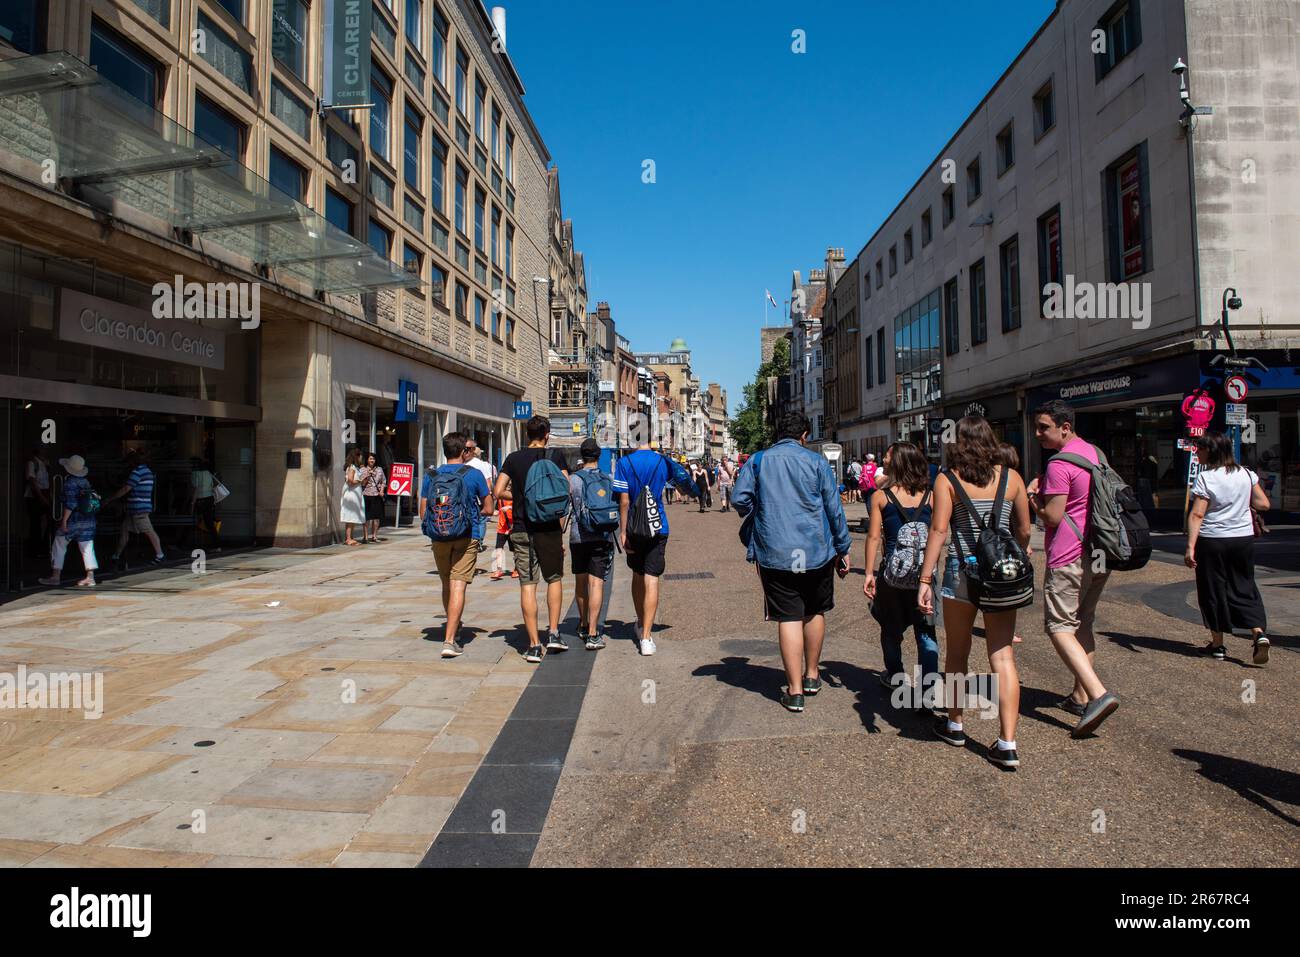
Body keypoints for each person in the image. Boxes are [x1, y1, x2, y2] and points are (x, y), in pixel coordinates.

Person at [917, 416, 1031, 769]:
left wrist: (924, 579)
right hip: (999, 575)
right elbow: (1024, 529)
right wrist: (1016, 553)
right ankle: (1007, 743)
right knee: (1002, 655)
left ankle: (955, 724)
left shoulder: (947, 480)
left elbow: (938, 531)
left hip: (961, 572)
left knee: (957, 652)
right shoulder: (1012, 478)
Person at [733, 412, 852, 713]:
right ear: (804, 436)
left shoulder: (758, 460)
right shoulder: (816, 462)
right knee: (814, 610)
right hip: (815, 549)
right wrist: (843, 546)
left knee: (788, 616)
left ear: (778, 433)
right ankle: (812, 675)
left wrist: (759, 508)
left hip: (775, 550)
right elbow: (834, 508)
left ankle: (794, 691)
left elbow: (738, 499)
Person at [1027, 400, 1120, 736]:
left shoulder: (1058, 464)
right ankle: (1080, 695)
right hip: (1100, 552)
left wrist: (1032, 497)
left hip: (1069, 554)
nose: (1038, 433)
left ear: (1064, 427)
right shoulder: (1095, 454)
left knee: (1059, 626)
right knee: (1084, 623)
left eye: (1043, 427)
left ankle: (1097, 694)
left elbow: (1052, 516)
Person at [863, 442, 939, 709]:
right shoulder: (931, 496)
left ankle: (895, 676)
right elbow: (939, 533)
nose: (884, 459)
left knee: (890, 627)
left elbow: (874, 536)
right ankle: (929, 690)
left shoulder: (881, 497)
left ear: (897, 463)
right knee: (926, 632)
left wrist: (870, 571)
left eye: (887, 456)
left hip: (892, 574)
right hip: (925, 573)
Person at [1185, 431, 1270, 664]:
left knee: (1213, 590)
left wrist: (1190, 546)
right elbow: (1264, 503)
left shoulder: (1206, 478)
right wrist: (1240, 503)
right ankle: (1258, 634)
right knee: (1243, 585)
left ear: (1210, 451)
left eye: (1200, 449)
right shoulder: (1246, 473)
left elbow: (1198, 513)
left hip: (1213, 540)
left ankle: (1218, 645)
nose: (1197, 453)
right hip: (1242, 539)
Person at [495, 416, 570, 662]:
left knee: (528, 584)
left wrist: (519, 496)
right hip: (548, 527)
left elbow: (497, 491)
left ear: (527, 434)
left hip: (522, 527)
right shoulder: (555, 456)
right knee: (554, 579)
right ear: (546, 433)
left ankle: (534, 645)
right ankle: (555, 634)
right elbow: (565, 490)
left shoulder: (513, 458)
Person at [420, 432, 494, 659]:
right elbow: (489, 509)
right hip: (466, 535)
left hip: (438, 536)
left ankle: (454, 626)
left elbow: (422, 512)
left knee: (446, 583)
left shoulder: (430, 475)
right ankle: (450, 640)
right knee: (458, 585)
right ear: (464, 452)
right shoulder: (474, 475)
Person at [614, 435, 683, 656]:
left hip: (635, 527)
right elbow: (678, 482)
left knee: (637, 574)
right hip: (658, 525)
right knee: (651, 578)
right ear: (651, 438)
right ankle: (646, 637)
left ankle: (641, 623)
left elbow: (623, 501)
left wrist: (623, 531)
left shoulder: (624, 463)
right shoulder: (662, 461)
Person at [568, 438, 616, 651]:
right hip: (602, 536)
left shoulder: (573, 479)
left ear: (582, 455)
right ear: (598, 456)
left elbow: (566, 510)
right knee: (596, 584)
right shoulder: (608, 479)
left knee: (581, 582)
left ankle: (583, 623)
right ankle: (594, 633)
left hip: (578, 537)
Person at [39, 455, 99, 588]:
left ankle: (55, 576)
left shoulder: (69, 483)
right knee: (87, 547)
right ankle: (90, 577)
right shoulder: (86, 482)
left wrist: (64, 521)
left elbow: (71, 504)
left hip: (74, 520)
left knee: (59, 544)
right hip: (88, 521)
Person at [105, 448, 165, 565]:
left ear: (133, 461)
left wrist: (110, 499)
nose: (127, 464)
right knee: (125, 531)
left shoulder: (137, 472)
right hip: (136, 509)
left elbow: (127, 488)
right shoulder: (147, 471)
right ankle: (116, 556)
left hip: (138, 509)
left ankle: (160, 555)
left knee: (149, 531)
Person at [997, 443, 1025, 645]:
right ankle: (1007, 630)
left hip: (995, 542)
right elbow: (1024, 526)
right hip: (1010, 542)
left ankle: (1003, 630)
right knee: (1009, 586)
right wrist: (1023, 548)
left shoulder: (990, 480)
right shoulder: (1015, 479)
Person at [464, 438, 496, 549]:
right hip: (465, 499)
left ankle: (478, 542)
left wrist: (486, 498)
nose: (465, 451)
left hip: (478, 499)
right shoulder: (460, 463)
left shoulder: (480, 464)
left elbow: (488, 483)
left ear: (473, 450)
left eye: (468, 449)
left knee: (481, 520)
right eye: (463, 449)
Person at [189, 457, 223, 551]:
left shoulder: (195, 473)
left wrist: (192, 503)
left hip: (200, 500)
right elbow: (213, 486)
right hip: (210, 499)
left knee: (192, 521)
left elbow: (195, 489)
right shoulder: (209, 473)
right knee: (209, 524)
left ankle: (191, 543)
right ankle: (216, 545)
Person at [24, 447, 51, 558]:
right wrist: (41, 497)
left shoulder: (45, 463)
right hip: (35, 495)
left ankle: (43, 547)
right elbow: (32, 480)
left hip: (44, 493)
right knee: (35, 524)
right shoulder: (32, 463)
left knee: (49, 521)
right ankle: (34, 550)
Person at [339, 448, 366, 546]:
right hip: (351, 494)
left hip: (354, 493)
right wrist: (359, 481)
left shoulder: (354, 467)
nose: (361, 458)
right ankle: (348, 538)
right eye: (360, 456)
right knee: (350, 516)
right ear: (357, 456)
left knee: (353, 516)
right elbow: (350, 480)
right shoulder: (352, 467)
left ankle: (350, 537)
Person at [359, 451, 387, 544]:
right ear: (367, 460)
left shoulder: (379, 469)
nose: (372, 460)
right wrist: (368, 475)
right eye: (370, 458)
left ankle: (374, 536)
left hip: (377, 495)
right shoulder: (363, 470)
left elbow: (383, 481)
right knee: (367, 517)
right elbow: (362, 483)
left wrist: (382, 491)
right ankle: (365, 536)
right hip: (367, 494)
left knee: (376, 517)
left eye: (373, 459)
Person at [490, 499, 516, 581]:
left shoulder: (514, 496)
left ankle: (517, 569)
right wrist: (492, 512)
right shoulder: (500, 498)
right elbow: (497, 511)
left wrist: (510, 507)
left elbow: (521, 509)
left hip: (513, 527)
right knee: (498, 548)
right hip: (501, 527)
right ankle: (499, 569)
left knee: (515, 550)